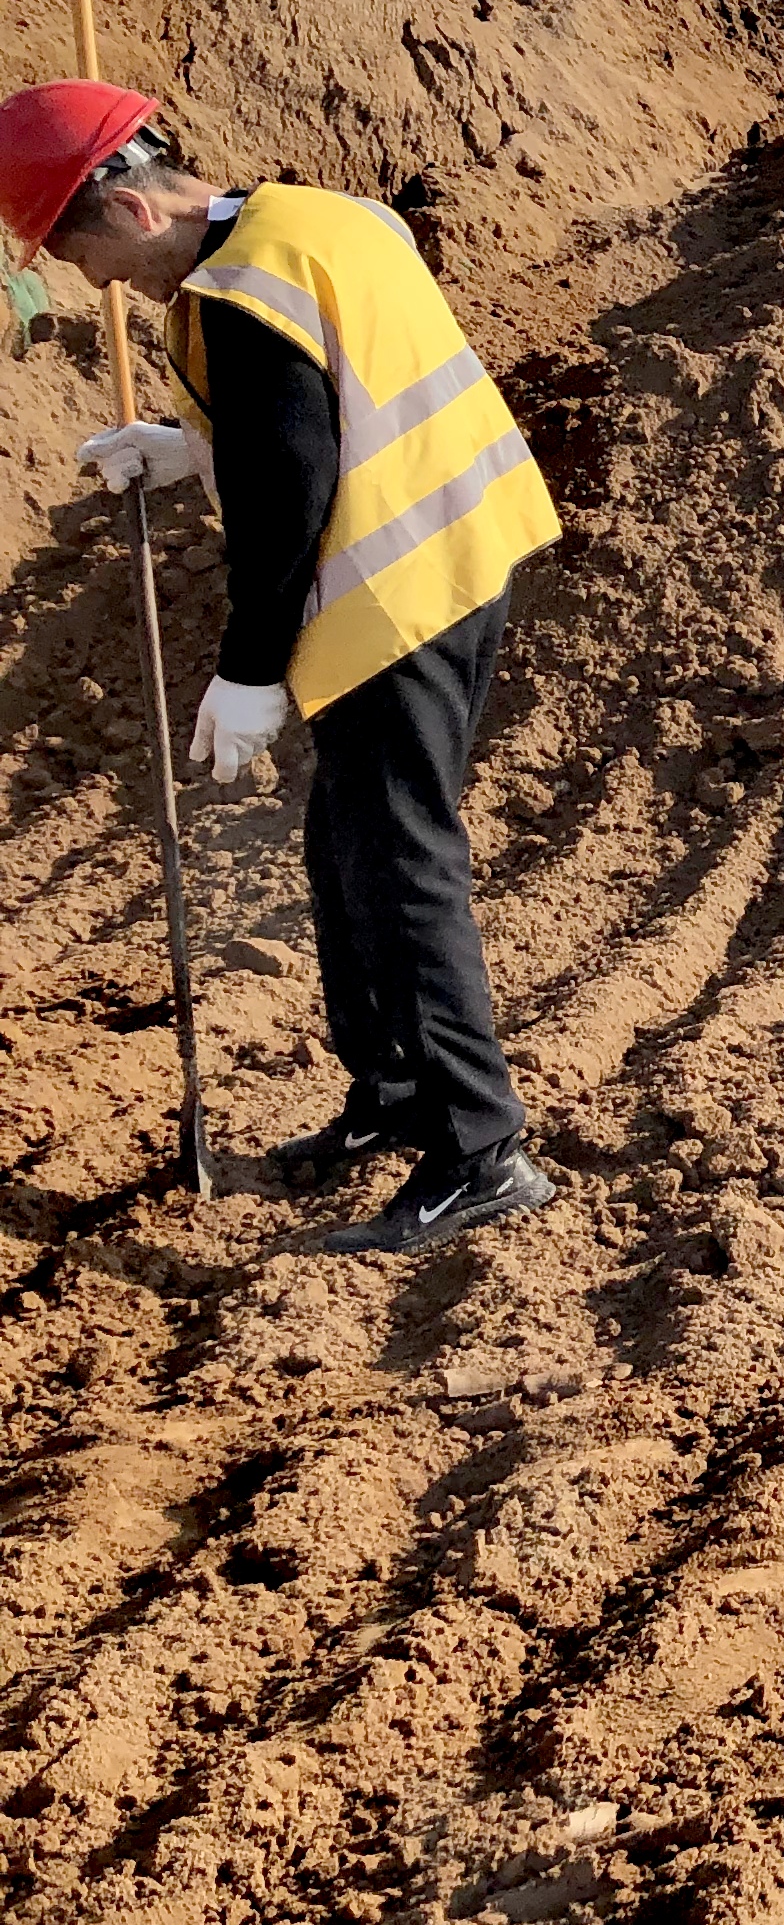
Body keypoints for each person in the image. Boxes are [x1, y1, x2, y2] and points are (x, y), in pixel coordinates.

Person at [1, 81, 562, 1255]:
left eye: (85, 250)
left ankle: (481, 1149)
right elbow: (316, 401)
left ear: (137, 211)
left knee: (403, 860)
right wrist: (190, 443)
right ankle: (395, 1098)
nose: (97, 284)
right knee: (347, 845)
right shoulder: (316, 217)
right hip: (457, 540)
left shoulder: (236, 294)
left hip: (396, 585)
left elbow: (289, 496)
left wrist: (249, 671)